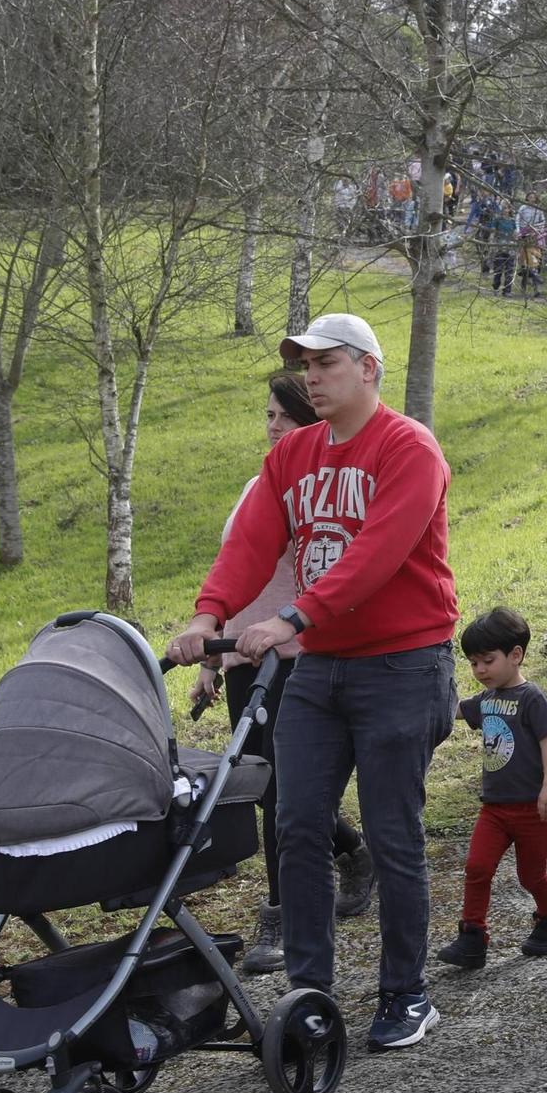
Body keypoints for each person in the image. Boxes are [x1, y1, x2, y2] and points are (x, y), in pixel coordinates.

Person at [168, 313, 458, 1052]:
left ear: (368, 368)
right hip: (320, 666)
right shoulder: (290, 456)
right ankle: (310, 994)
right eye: (304, 364)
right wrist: (209, 615)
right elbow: (252, 544)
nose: (310, 377)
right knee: (295, 826)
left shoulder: (409, 449)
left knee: (394, 832)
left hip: (402, 662)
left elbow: (378, 551)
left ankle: (406, 993)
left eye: (325, 362)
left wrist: (297, 615)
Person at [191, 373, 378, 976]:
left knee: (283, 793)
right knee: (267, 788)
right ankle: (352, 850)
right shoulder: (257, 486)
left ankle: (281, 913)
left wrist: (296, 629)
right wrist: (213, 656)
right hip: (244, 653)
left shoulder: (323, 491)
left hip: (297, 655)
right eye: (267, 415)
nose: (271, 427)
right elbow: (236, 569)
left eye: (281, 416)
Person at [436, 608, 547, 970]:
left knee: (531, 875)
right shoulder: (487, 699)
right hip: (494, 808)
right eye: (474, 663)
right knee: (477, 867)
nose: (480, 670)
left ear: (516, 655)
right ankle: (472, 937)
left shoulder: (531, 698)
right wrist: (428, 697)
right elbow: (454, 710)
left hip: (531, 808)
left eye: (487, 661)